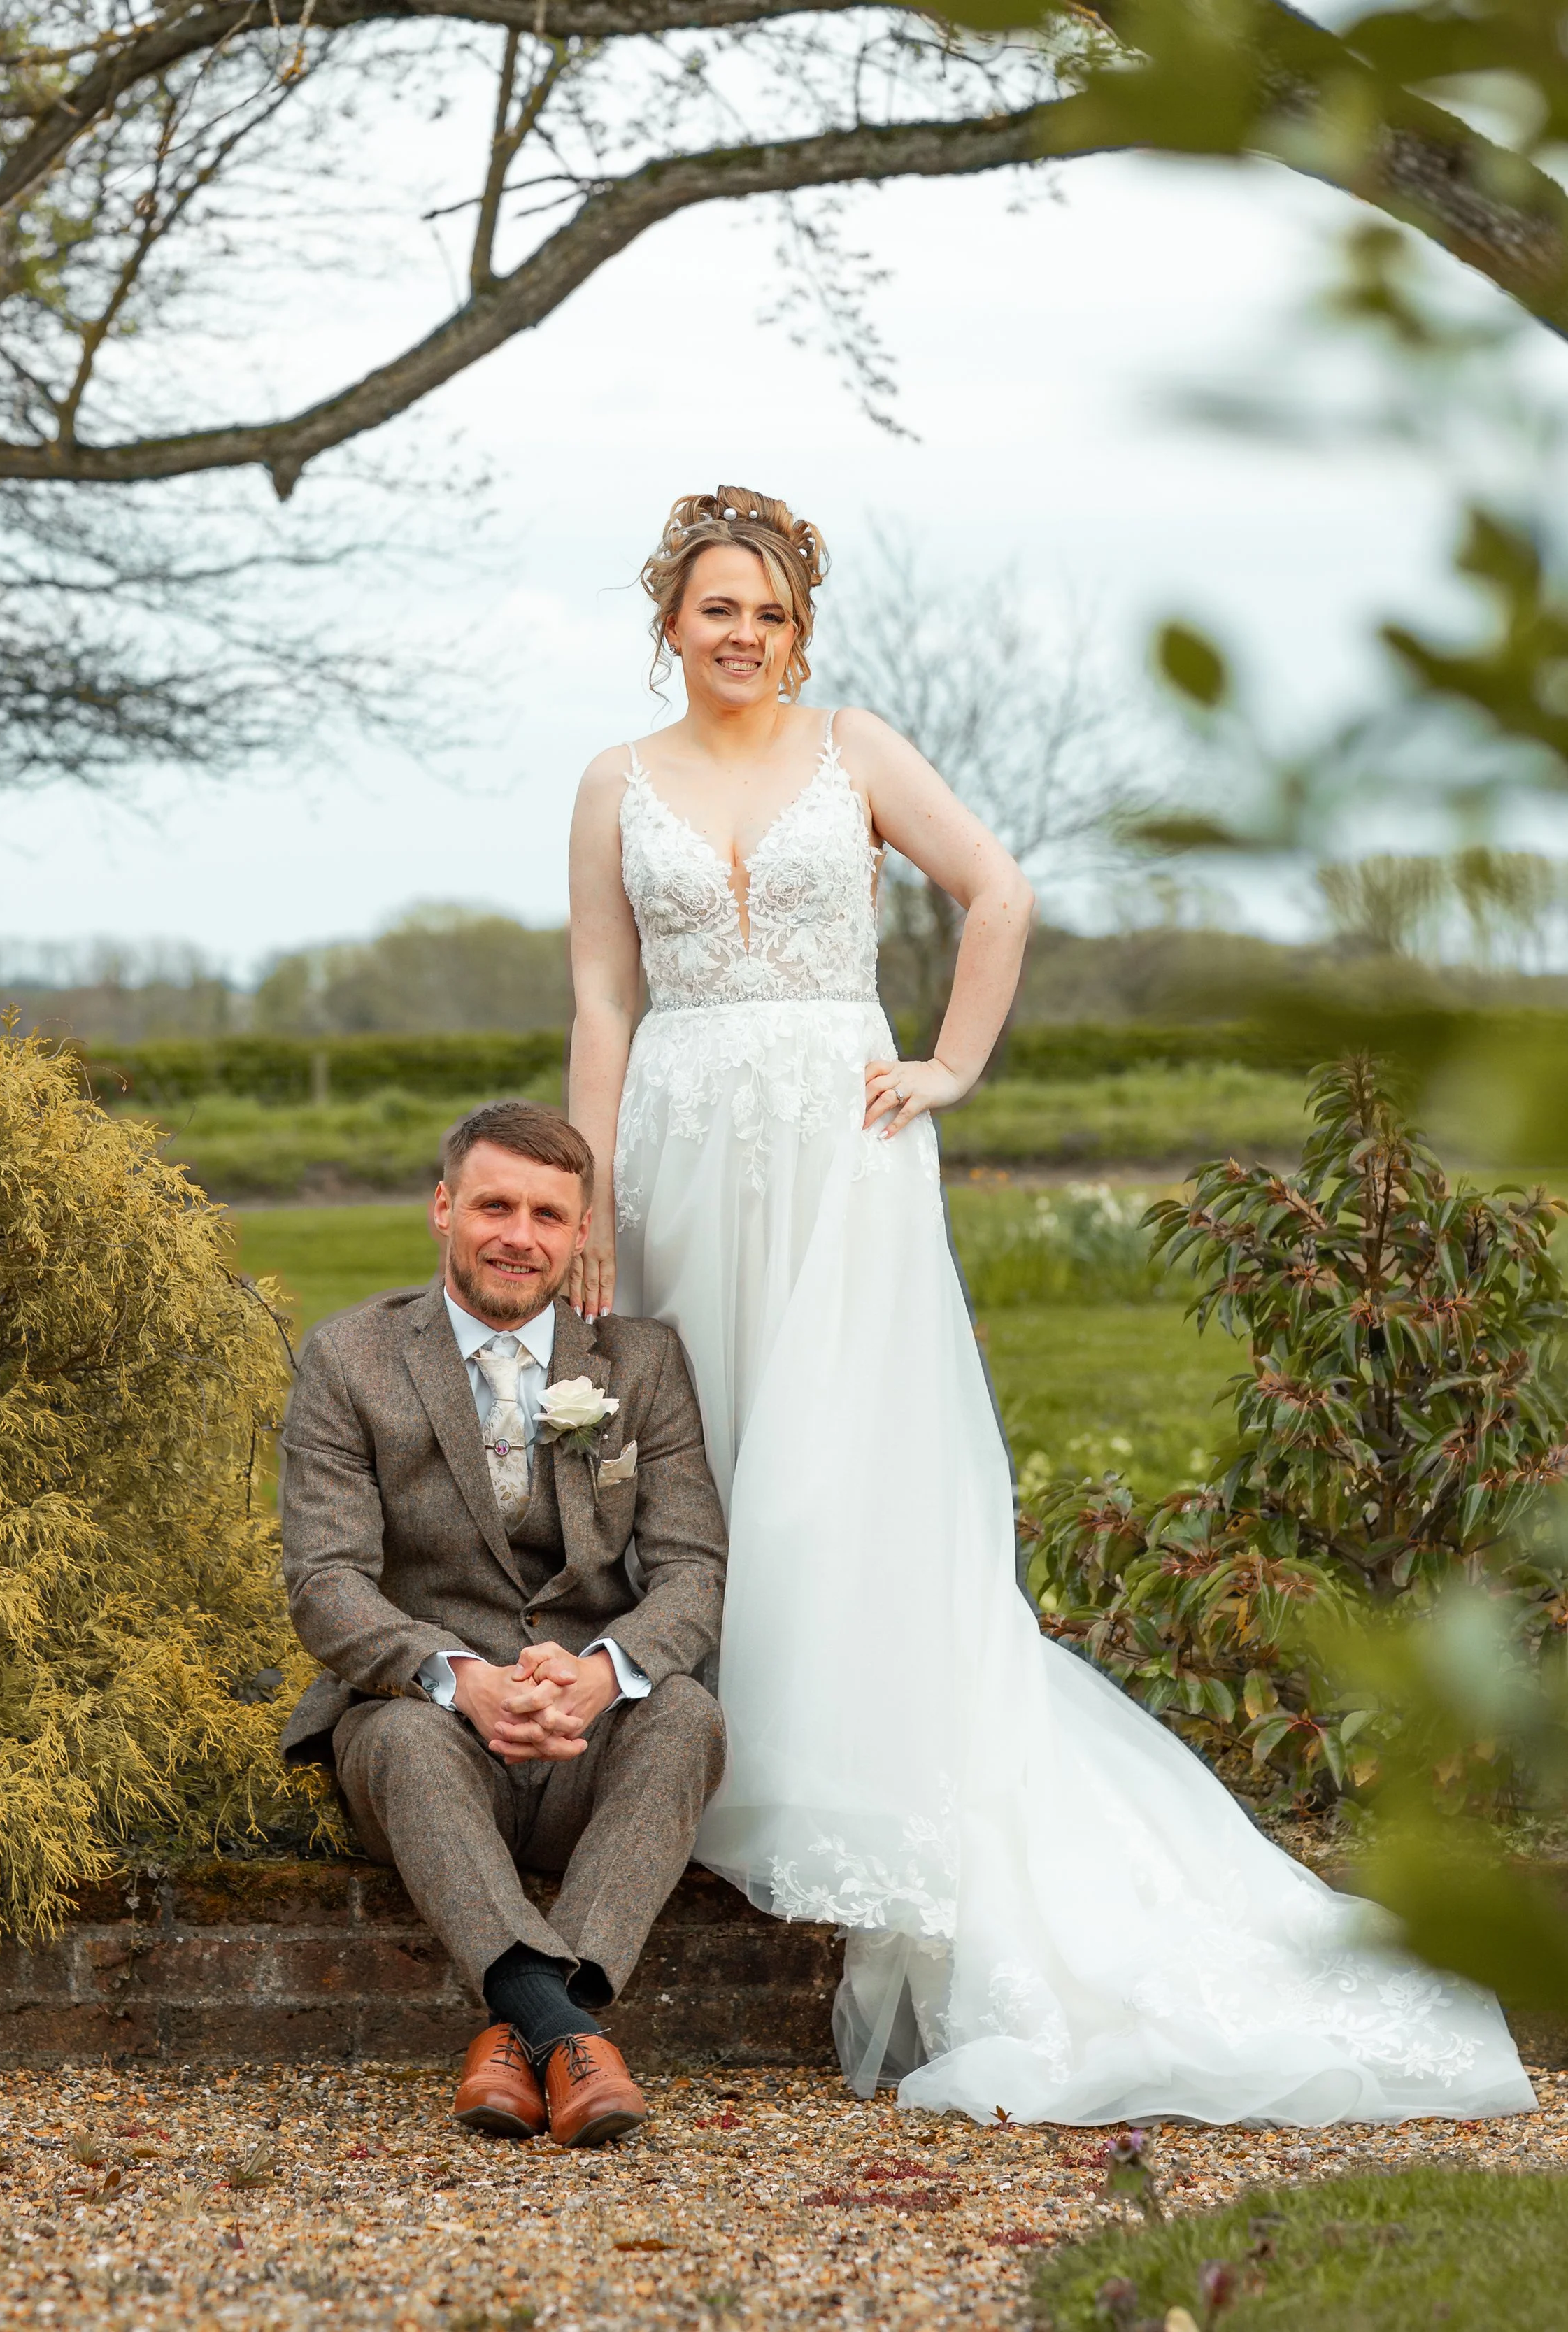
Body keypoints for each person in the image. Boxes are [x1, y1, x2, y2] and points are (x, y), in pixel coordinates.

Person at [562, 485, 1536, 2126]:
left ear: (800, 632)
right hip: (673, 1139)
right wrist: (588, 1185)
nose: (743, 634)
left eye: (771, 613)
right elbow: (600, 995)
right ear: (669, 618)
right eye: (717, 606)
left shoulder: (855, 751)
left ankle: (840, 1767)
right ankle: (695, 1748)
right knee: (700, 1444)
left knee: (833, 1459)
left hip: (841, 1136)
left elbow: (996, 892)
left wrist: (949, 1064)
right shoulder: (612, 779)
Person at [278, 1099, 729, 2146]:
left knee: (688, 1719)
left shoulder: (643, 1364)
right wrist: (458, 1676)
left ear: (579, 1234)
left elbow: (693, 1570)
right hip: (430, 1730)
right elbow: (326, 1582)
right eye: (494, 1206)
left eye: (546, 1215)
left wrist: (604, 1673)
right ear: (444, 1207)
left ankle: (523, 2028)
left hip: (586, 1734)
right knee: (400, 1739)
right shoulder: (349, 1358)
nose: (519, 1237)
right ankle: (570, 2034)